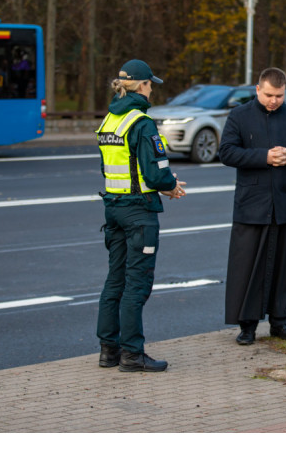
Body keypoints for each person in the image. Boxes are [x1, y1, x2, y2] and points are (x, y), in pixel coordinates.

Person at [219, 67, 286, 345]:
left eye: (278, 95)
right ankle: (247, 326)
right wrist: (264, 156)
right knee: (248, 269)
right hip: (252, 206)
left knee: (285, 267)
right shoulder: (239, 115)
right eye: (268, 95)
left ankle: (280, 322)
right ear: (257, 89)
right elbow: (227, 152)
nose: (273, 100)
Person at [95, 59, 186, 372]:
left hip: (113, 208)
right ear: (143, 86)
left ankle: (108, 351)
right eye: (151, 85)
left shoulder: (110, 119)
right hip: (139, 212)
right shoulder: (141, 123)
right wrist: (171, 186)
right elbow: (155, 173)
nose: (152, 91)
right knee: (137, 285)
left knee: (114, 281)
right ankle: (132, 354)